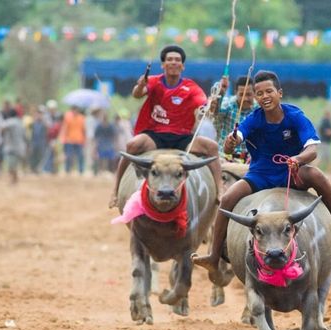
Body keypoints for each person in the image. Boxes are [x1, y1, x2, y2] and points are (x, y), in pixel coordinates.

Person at [192, 70, 331, 283]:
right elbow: (235, 139)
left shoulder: (295, 116)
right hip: (260, 174)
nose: (264, 96)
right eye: (259, 93)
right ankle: (214, 256)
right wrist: (231, 142)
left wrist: (298, 159)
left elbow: (312, 150)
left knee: (317, 176)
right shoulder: (254, 118)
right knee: (227, 199)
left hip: (292, 171)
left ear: (279, 93)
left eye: (269, 91)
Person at [108, 45, 222, 208]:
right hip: (156, 135)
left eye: (177, 60)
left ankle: (219, 190)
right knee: (131, 145)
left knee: (211, 147)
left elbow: (203, 104)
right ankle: (115, 189)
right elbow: (137, 94)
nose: (173, 62)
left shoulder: (190, 87)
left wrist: (210, 105)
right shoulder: (154, 81)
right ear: (163, 64)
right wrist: (140, 85)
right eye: (169, 59)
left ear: (182, 66)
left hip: (182, 137)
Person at [212, 75, 257, 162]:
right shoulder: (228, 104)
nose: (245, 99)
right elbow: (216, 112)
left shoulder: (259, 109)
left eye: (248, 94)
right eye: (241, 94)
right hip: (225, 156)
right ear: (236, 92)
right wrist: (220, 94)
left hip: (250, 159)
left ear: (254, 93)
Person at [1, 109, 26, 184]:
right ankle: (14, 179)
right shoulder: (20, 122)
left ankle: (14, 180)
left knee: (11, 165)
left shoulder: (11, 121)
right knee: (14, 164)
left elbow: (2, 127)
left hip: (12, 147)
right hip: (20, 146)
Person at [58, 105, 86, 174]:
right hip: (69, 140)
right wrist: (63, 138)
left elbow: (84, 129)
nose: (75, 111)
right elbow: (65, 129)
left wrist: (85, 139)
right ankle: (67, 170)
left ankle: (81, 170)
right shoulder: (67, 117)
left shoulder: (82, 118)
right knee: (69, 155)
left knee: (80, 155)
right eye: (74, 110)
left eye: (76, 110)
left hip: (79, 139)